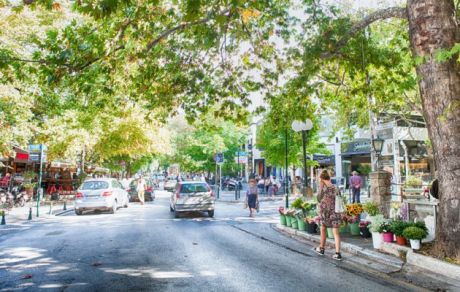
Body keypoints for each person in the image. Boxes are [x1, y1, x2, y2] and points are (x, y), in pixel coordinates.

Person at [315, 170, 342, 261]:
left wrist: (321, 187)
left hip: (325, 212)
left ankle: (321, 249)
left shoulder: (323, 187)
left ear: (321, 178)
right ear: (329, 177)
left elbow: (318, 198)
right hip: (335, 212)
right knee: (336, 233)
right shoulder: (335, 187)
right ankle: (338, 253)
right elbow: (340, 198)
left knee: (323, 229)